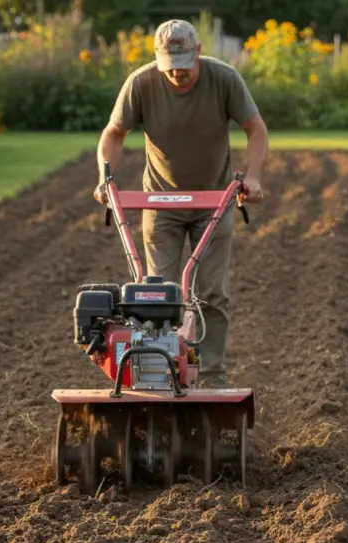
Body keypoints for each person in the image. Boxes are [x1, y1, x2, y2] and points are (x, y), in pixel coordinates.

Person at [94, 19, 269, 389]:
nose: (177, 74)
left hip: (214, 202)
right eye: (170, 66)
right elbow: (114, 133)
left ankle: (213, 374)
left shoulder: (224, 79)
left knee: (213, 293)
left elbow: (255, 129)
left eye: (185, 65)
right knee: (156, 294)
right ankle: (157, 372)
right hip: (161, 203)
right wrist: (105, 177)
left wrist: (253, 177)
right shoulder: (141, 83)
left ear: (199, 52)